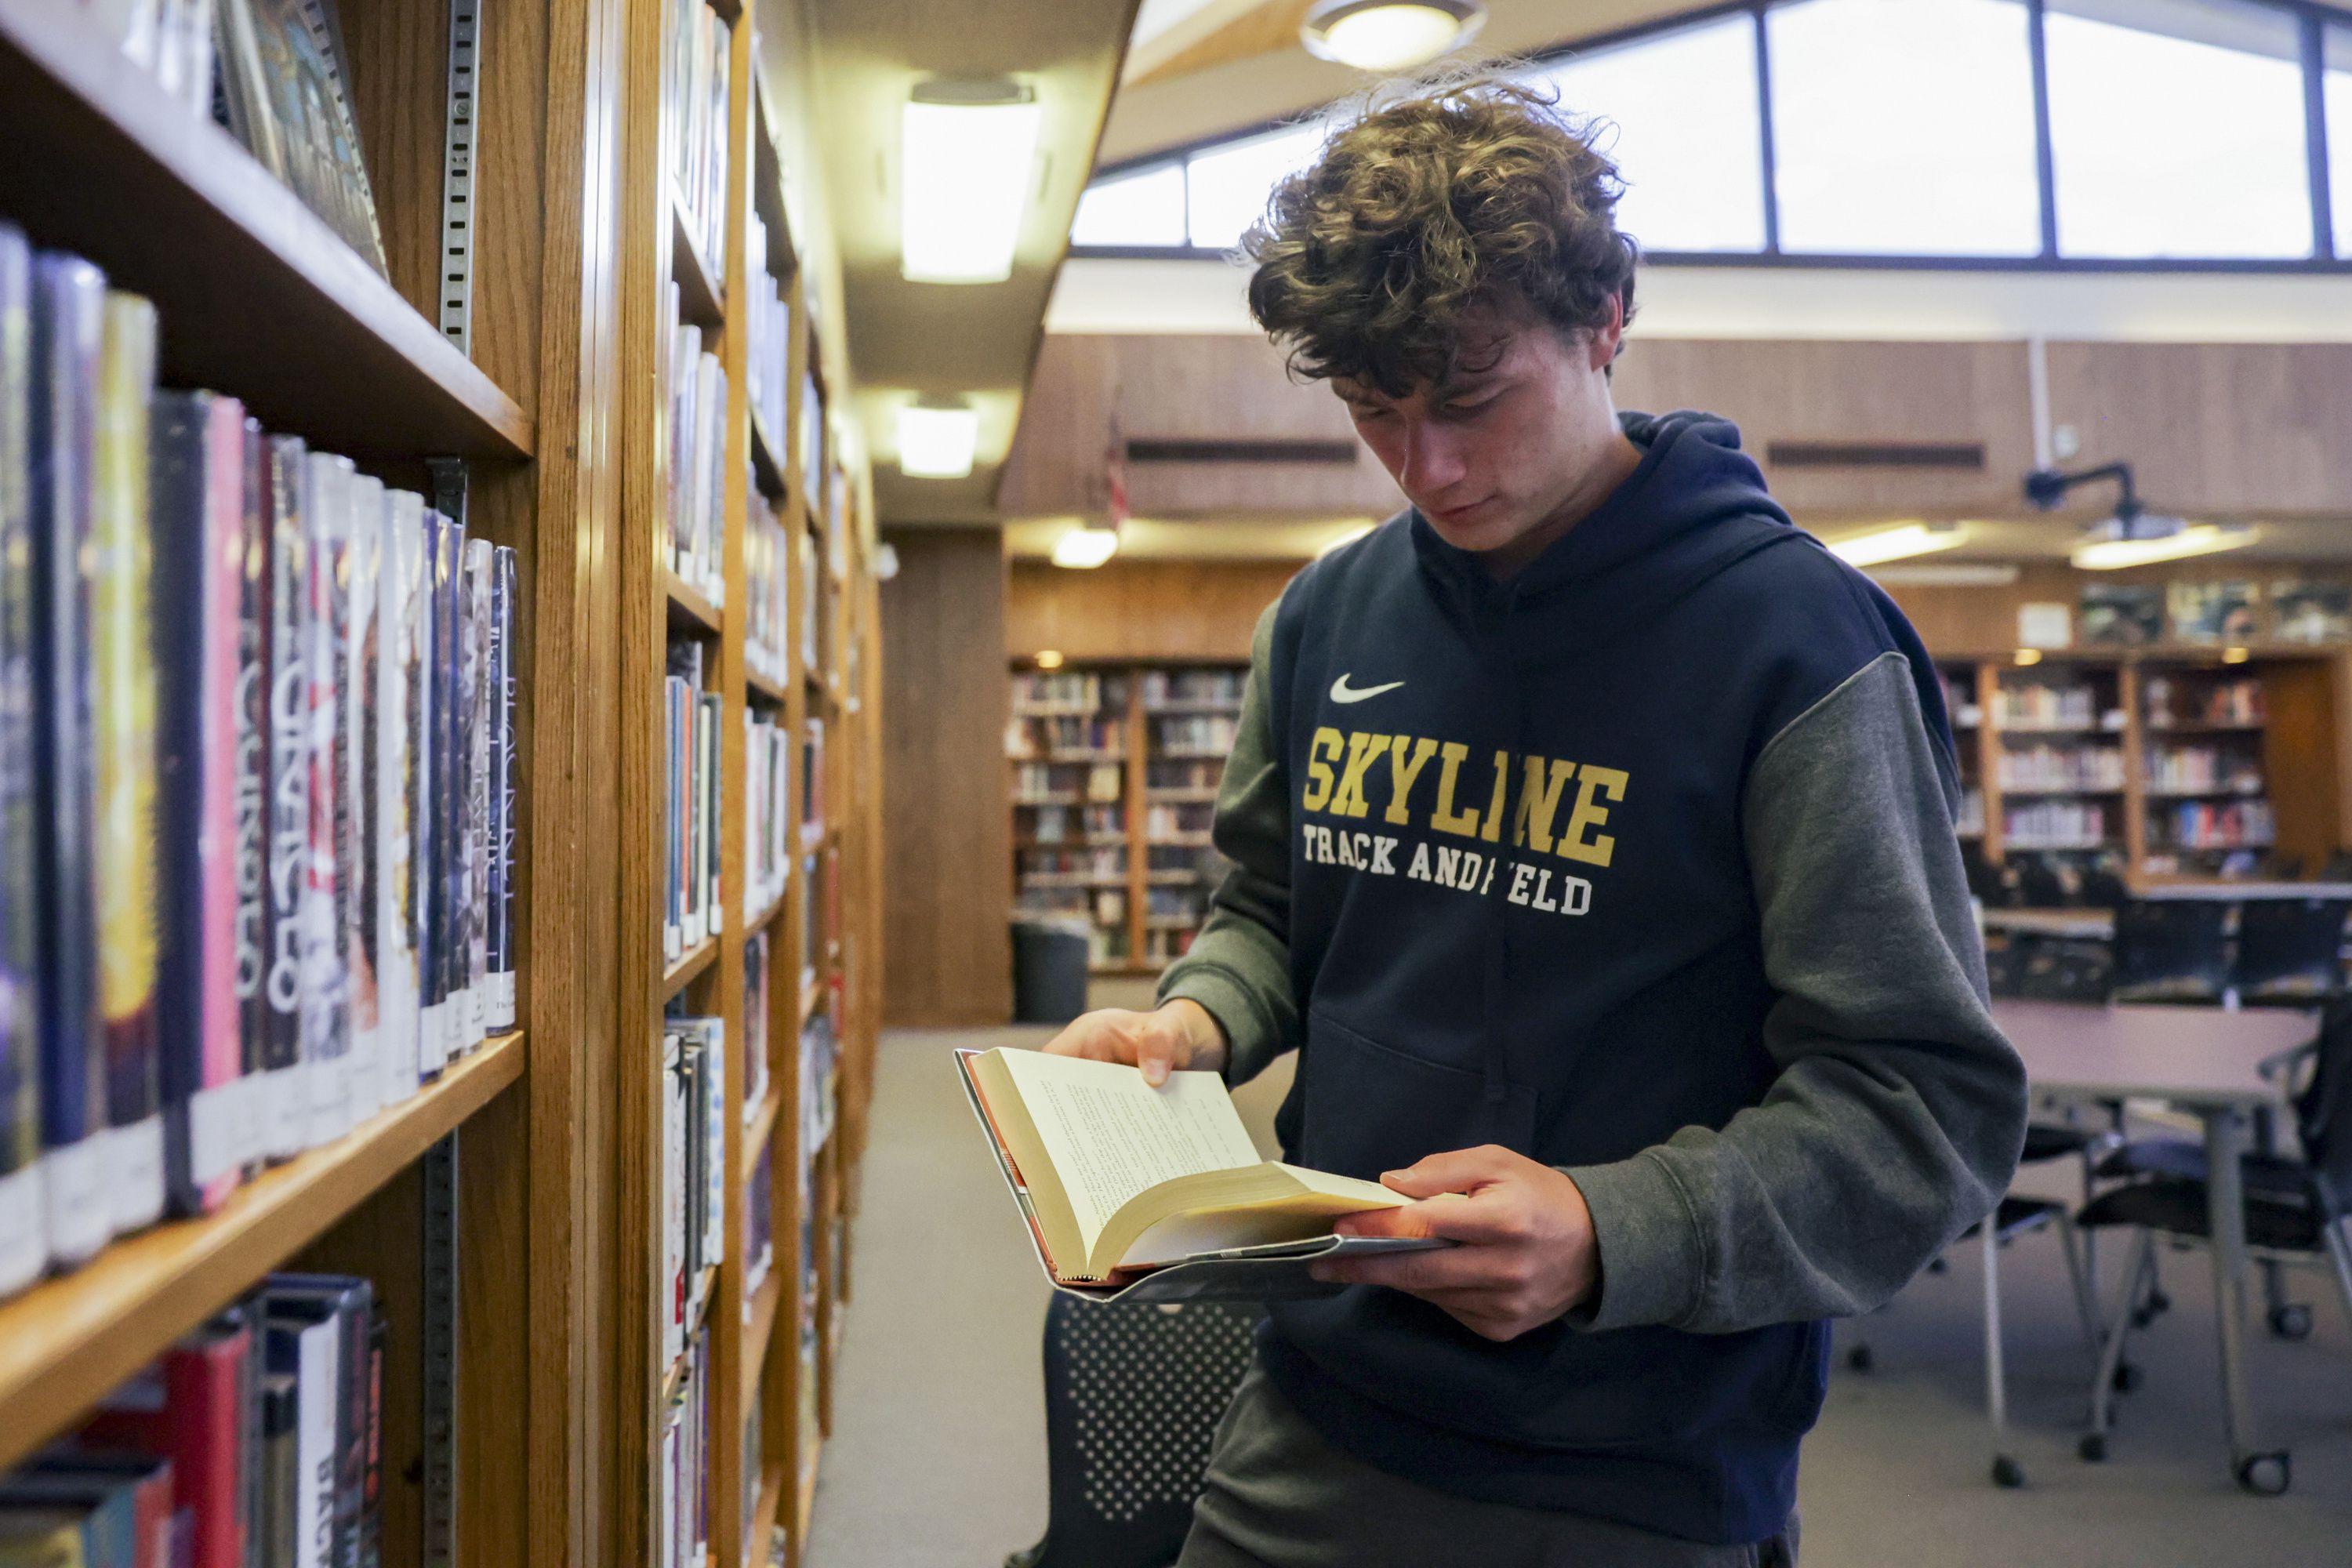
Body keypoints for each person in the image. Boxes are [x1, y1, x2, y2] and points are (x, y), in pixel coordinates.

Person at [1041, 74, 2026, 1567]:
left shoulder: (1801, 647)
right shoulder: (1329, 614)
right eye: (1376, 412)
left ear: (1606, 315)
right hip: (1314, 1405)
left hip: (1633, 1466)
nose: (1426, 468)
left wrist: (1611, 1228)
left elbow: (1923, 1109)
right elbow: (1270, 917)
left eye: (1473, 399)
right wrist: (1194, 1023)